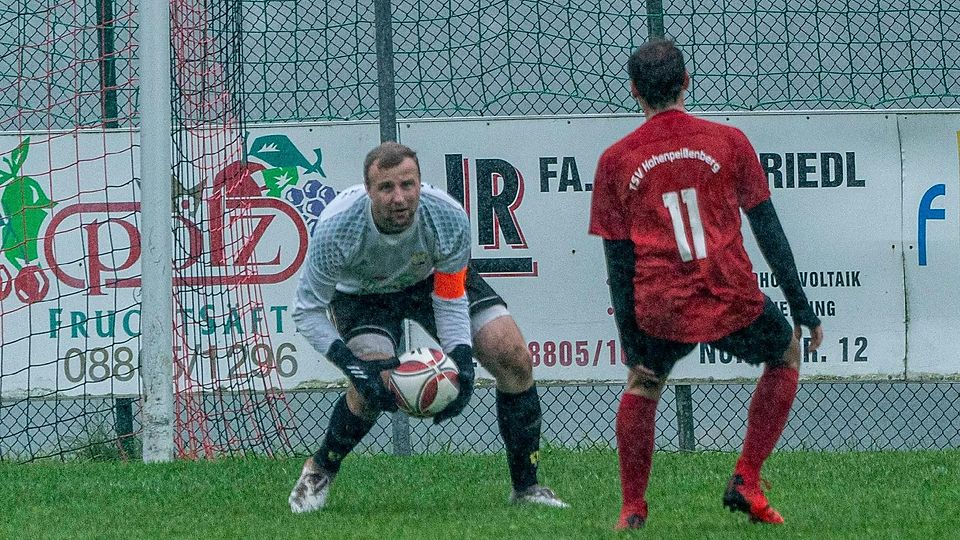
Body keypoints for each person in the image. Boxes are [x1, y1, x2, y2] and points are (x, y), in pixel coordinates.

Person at [589, 39, 824, 529]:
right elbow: (768, 230)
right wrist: (801, 306)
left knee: (643, 383)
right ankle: (747, 478)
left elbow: (617, 259)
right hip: (728, 295)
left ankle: (632, 508)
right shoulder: (729, 141)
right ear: (686, 82)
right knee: (784, 353)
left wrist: (629, 336)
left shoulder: (616, 159)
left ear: (634, 91)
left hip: (661, 304)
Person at [288, 141, 568, 513]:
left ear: (421, 183)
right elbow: (307, 311)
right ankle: (319, 469)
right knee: (373, 386)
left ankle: (527, 487)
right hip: (363, 296)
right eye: (386, 188)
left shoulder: (448, 216)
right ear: (367, 190)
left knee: (512, 354)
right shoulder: (336, 227)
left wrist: (462, 361)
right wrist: (355, 368)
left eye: (408, 185)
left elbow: (450, 295)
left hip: (427, 281)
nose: (399, 198)